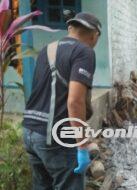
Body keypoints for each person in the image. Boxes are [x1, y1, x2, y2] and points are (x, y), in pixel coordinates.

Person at [22, 12, 101, 190]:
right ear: (94, 34)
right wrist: (82, 145)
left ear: (70, 29)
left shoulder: (46, 49)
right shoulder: (84, 52)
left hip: (30, 132)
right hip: (54, 137)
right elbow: (75, 101)